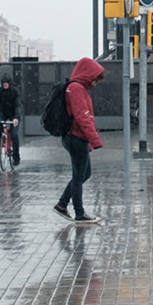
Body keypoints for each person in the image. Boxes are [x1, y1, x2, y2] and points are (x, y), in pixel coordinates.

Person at [53, 57, 103, 226]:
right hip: (76, 137)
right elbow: (83, 117)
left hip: (75, 136)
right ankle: (79, 213)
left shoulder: (75, 88)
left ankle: (62, 204)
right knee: (78, 176)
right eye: (94, 79)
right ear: (87, 74)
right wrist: (94, 140)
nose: (95, 83)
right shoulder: (76, 89)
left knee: (84, 174)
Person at [0, 77, 22, 166]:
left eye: (7, 83)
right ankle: (2, 138)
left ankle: (16, 157)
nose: (5, 85)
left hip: (14, 113)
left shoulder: (15, 91)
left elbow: (18, 105)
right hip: (3, 111)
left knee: (14, 134)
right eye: (4, 83)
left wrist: (16, 118)